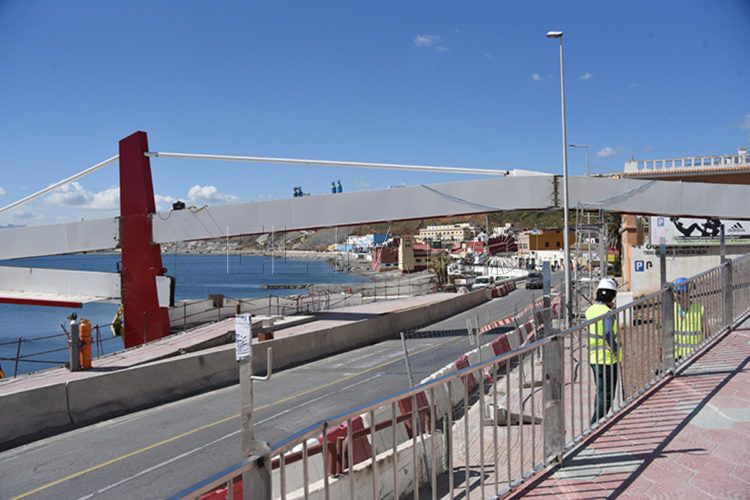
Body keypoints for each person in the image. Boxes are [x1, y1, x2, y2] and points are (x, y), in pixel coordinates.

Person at [586, 278, 621, 424]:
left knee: (600, 393)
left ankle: (596, 423)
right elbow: (607, 333)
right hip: (606, 358)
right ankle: (594, 425)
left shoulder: (591, 310)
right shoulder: (607, 312)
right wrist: (615, 348)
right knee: (606, 397)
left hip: (594, 357)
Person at [673, 277, 704, 361]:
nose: (676, 295)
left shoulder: (699, 310)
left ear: (687, 293)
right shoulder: (671, 310)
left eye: (680, 292)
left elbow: (707, 335)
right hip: (676, 357)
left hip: (694, 355)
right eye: (675, 292)